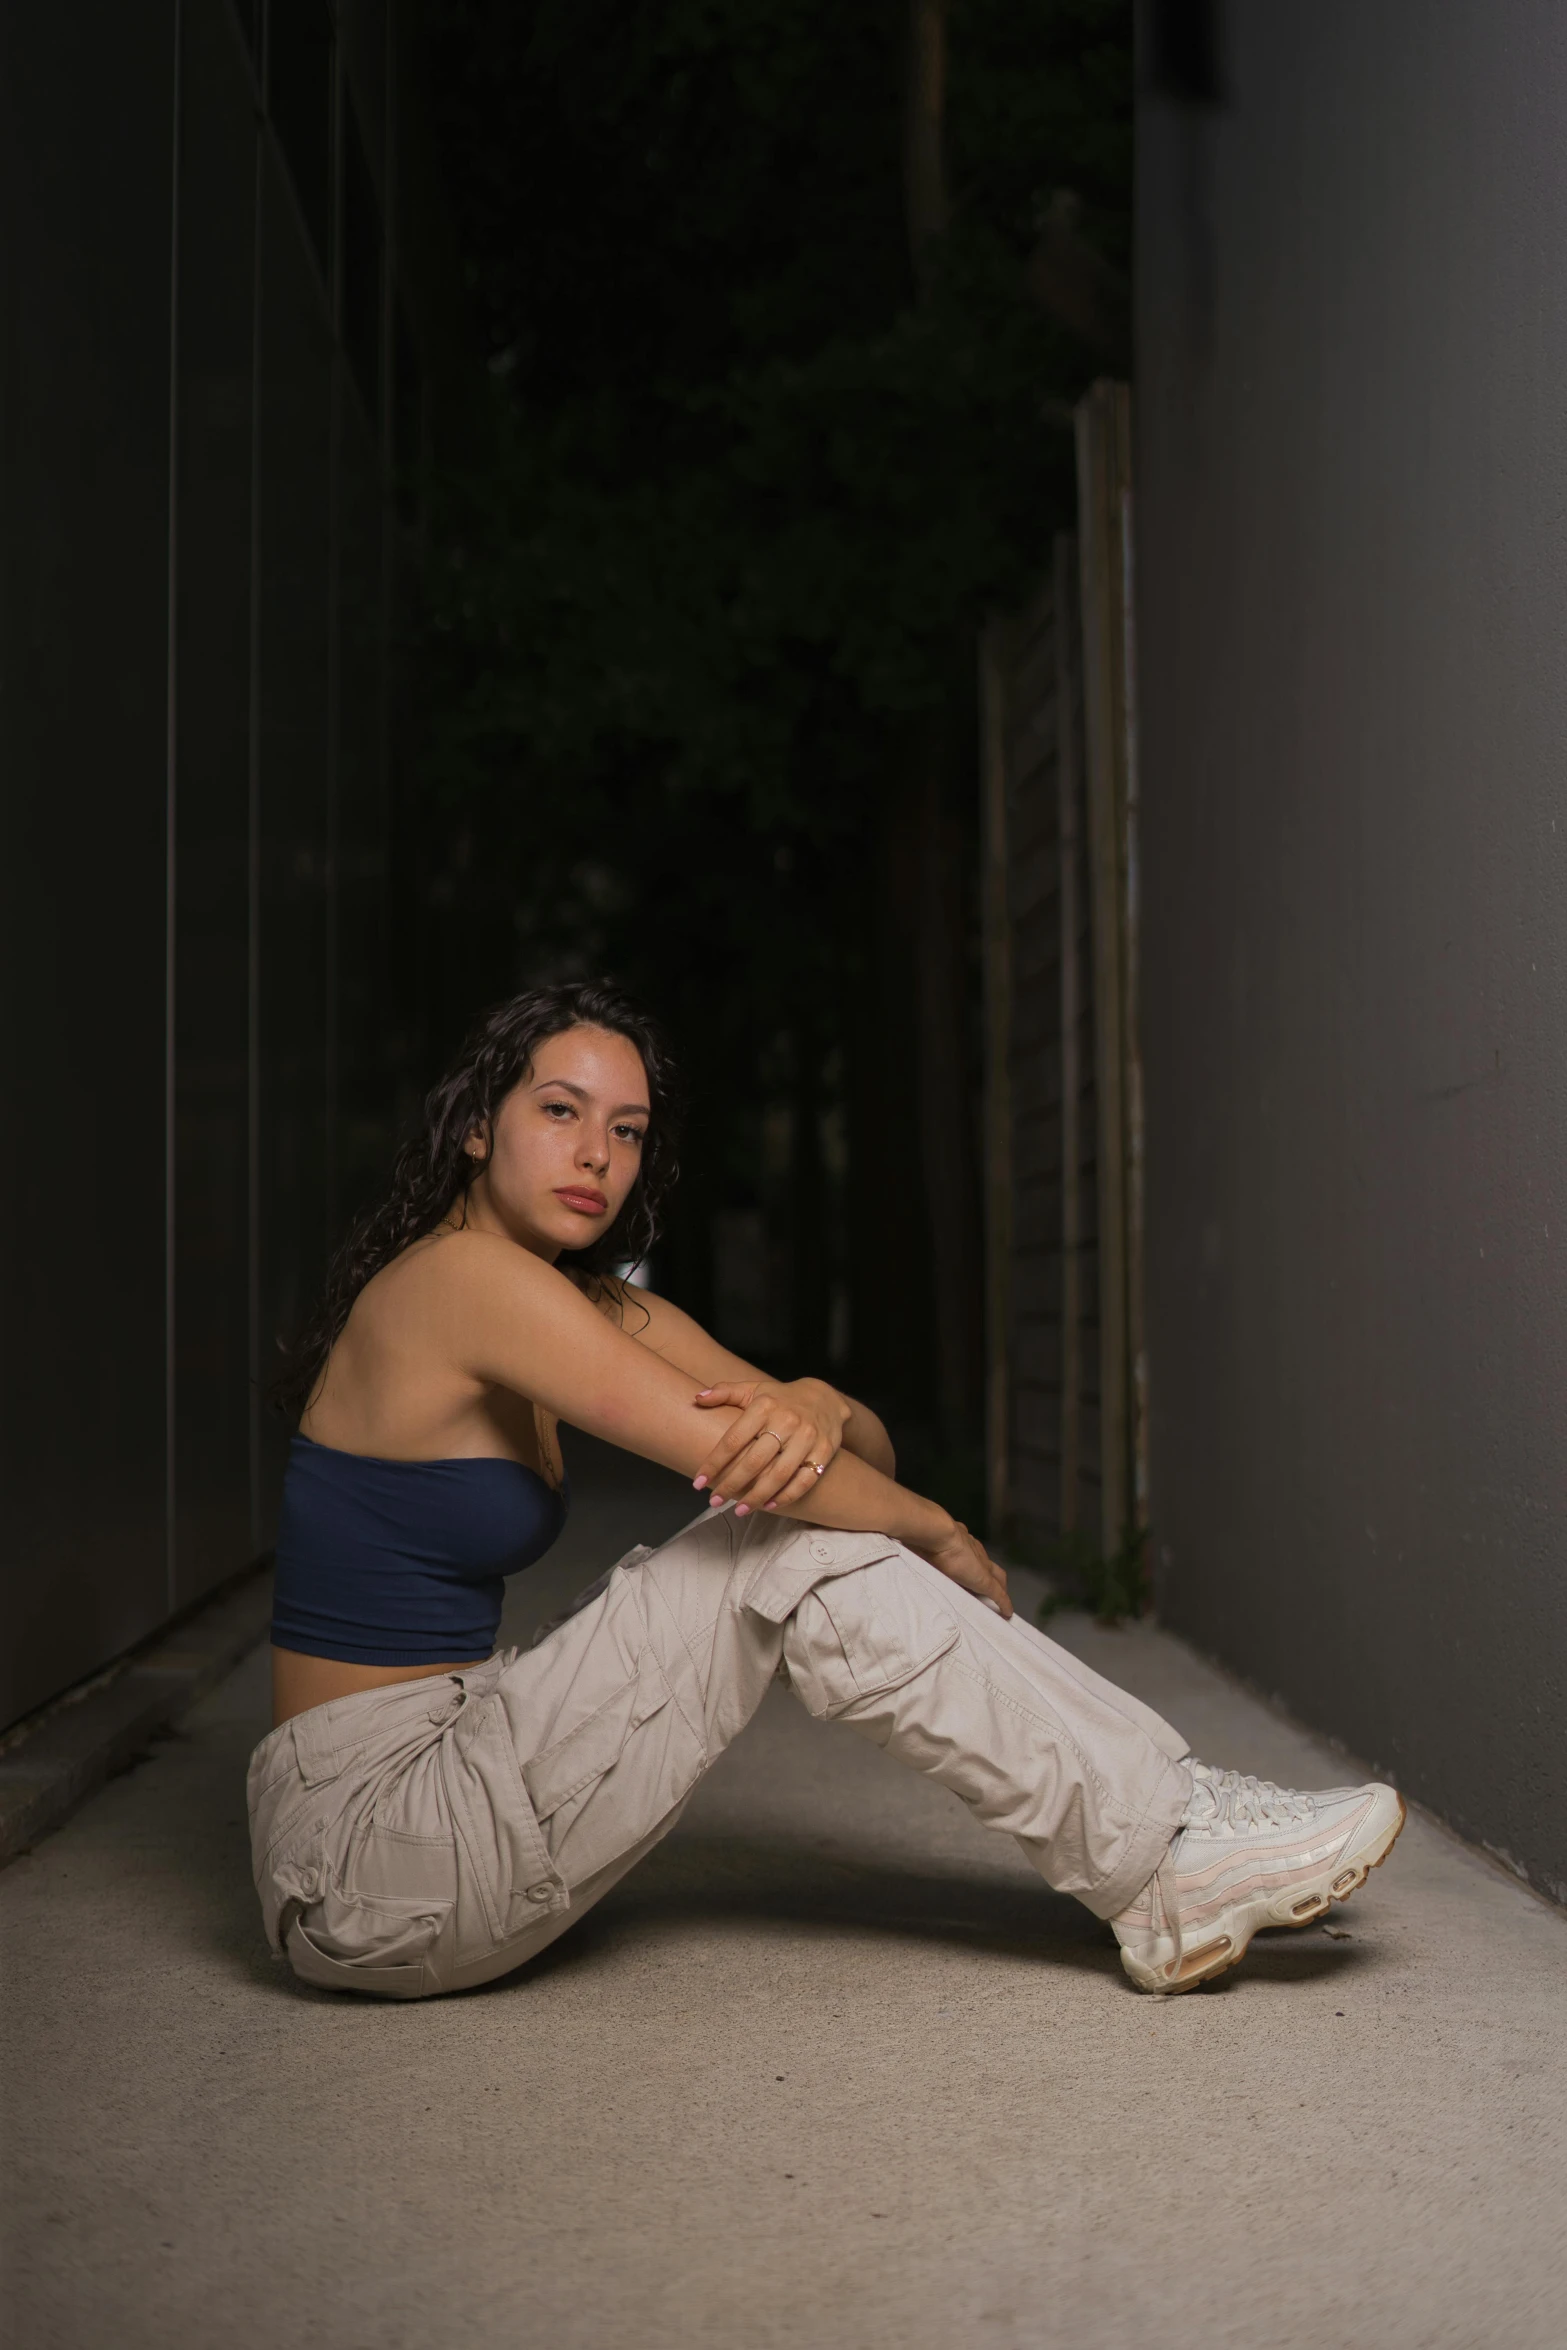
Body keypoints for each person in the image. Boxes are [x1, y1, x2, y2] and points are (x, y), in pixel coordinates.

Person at [250, 981, 1404, 2001]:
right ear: (472, 1126)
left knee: (793, 1522)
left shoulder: (588, 1303)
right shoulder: (461, 1283)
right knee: (776, 1541)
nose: (596, 1153)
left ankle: (1172, 1832)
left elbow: (859, 1461)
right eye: (560, 1111)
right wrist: (933, 1523)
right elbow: (793, 1488)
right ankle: (1167, 1846)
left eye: (627, 1128)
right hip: (368, 1855)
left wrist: (812, 1399)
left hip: (454, 1780)